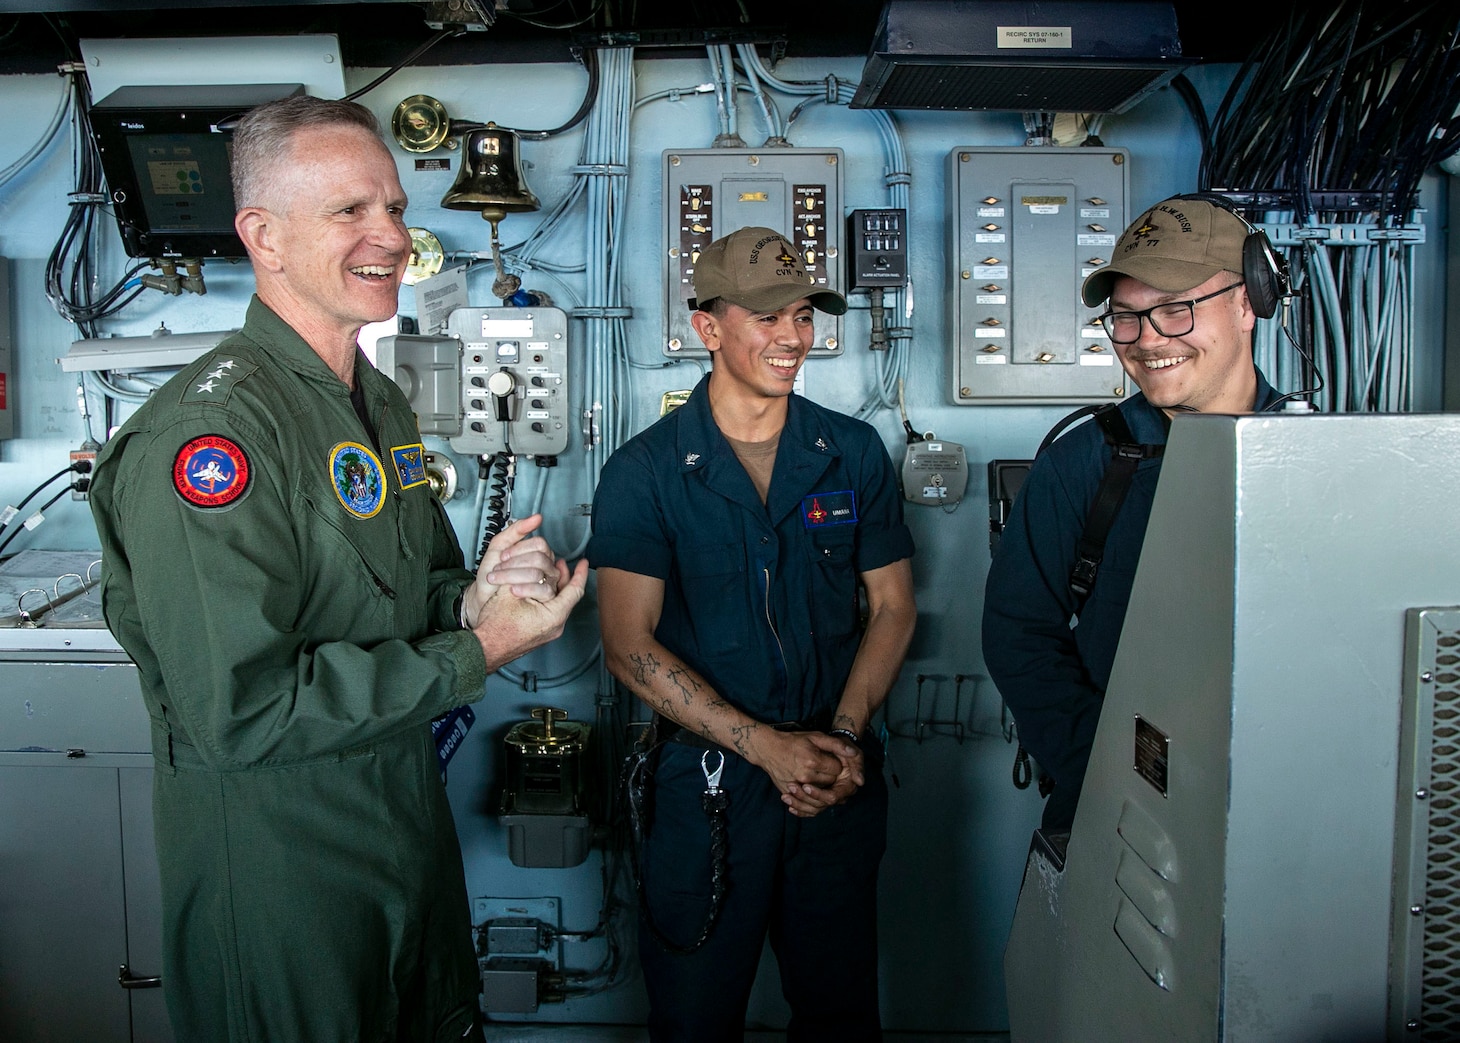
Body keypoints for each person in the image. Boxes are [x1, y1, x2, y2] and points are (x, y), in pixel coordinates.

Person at [88, 95, 588, 1042]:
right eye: (349, 211)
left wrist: (476, 594)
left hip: (402, 836)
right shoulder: (213, 435)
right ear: (262, 237)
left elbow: (409, 591)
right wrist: (477, 647)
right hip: (287, 876)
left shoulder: (377, 400)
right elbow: (244, 708)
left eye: (394, 208)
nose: (390, 236)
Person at [589, 225, 917, 1041]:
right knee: (695, 1018)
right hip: (707, 792)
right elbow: (629, 645)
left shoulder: (850, 451)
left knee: (840, 1015)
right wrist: (764, 748)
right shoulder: (647, 470)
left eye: (802, 314)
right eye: (768, 316)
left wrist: (839, 740)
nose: (792, 337)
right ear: (709, 327)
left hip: (834, 779)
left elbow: (893, 605)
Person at [982, 196, 1284, 838]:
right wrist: (1117, 770)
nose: (1148, 340)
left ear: (1248, 301)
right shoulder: (1083, 465)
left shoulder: (1320, 463)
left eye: (1177, 310)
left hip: (1281, 799)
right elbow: (1017, 634)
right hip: (1111, 799)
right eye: (1127, 317)